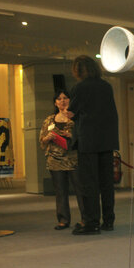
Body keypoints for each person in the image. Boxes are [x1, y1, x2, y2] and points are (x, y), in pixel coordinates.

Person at [67, 55, 119, 235]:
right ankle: (109, 220)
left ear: (79, 70)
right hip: (107, 140)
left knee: (89, 184)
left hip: (88, 141)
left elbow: (71, 113)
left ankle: (91, 223)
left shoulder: (79, 88)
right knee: (106, 184)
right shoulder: (106, 86)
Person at [39, 89, 85, 230]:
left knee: (81, 190)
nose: (62, 101)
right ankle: (63, 220)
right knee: (60, 192)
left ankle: (86, 218)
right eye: (59, 99)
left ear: (70, 100)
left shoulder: (76, 118)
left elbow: (84, 137)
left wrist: (71, 135)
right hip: (55, 160)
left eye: (65, 98)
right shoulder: (49, 120)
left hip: (73, 159)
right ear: (55, 102)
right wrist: (48, 138)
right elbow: (42, 141)